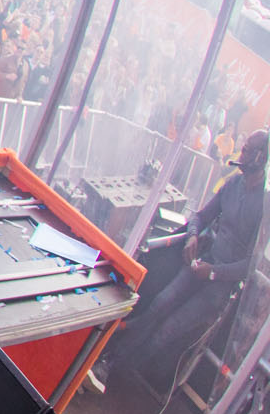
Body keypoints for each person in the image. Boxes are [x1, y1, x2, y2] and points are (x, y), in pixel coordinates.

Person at [98, 129, 270, 395]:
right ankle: (110, 362)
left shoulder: (265, 205)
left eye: (246, 150)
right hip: (201, 263)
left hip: (218, 288)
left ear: (260, 158)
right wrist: (192, 237)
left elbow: (251, 265)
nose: (241, 153)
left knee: (168, 331)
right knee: (159, 304)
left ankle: (120, 371)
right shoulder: (234, 184)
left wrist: (214, 273)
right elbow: (200, 216)